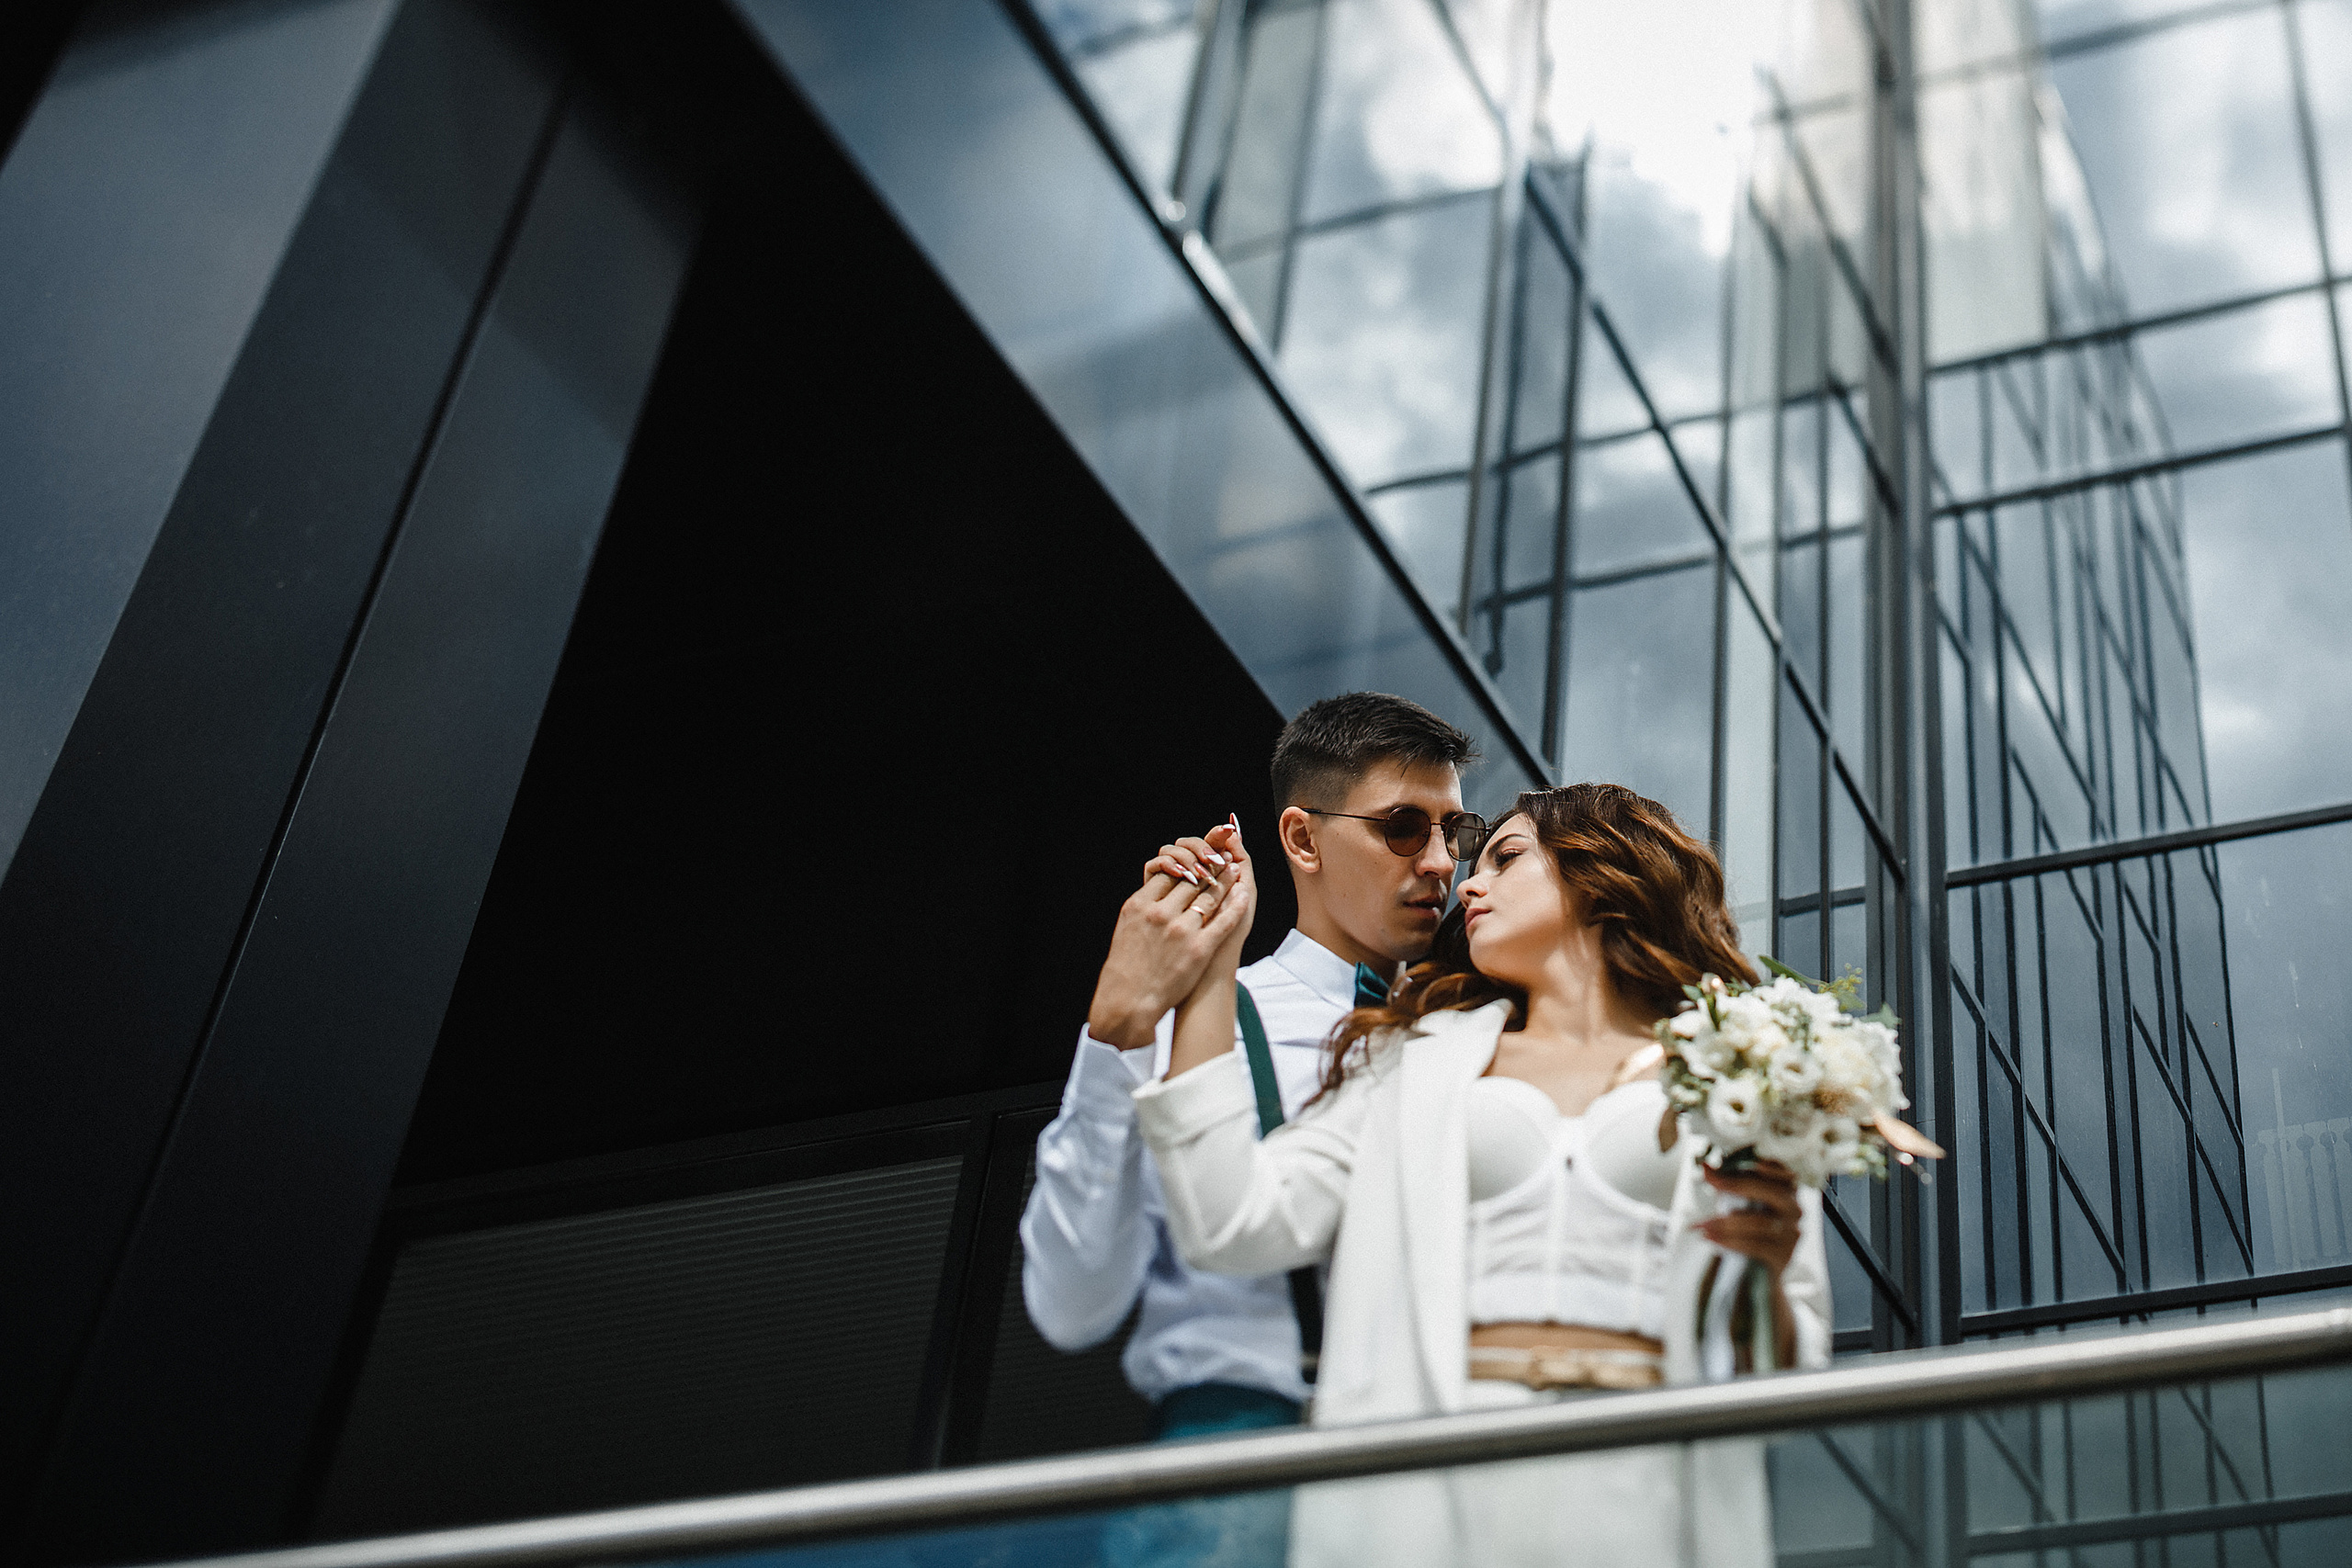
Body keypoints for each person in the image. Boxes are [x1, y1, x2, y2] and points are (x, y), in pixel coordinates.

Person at [1134, 783, 1832, 1568]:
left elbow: (1785, 1370)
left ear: (1601, 868)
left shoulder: (1743, 1069)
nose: (1467, 883)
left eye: (1505, 858)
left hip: (1648, 1481)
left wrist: (1768, 1274)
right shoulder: (1411, 1056)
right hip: (1431, 1473)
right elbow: (1233, 1219)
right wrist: (1211, 969)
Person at [1019, 693, 1482, 1564]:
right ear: (1303, 839)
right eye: (1402, 828)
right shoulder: (1198, 1022)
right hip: (1235, 1462)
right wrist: (1115, 1038)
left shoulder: (1478, 1030)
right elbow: (1071, 1306)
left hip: (1437, 1461)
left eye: (1454, 831)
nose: (1439, 863)